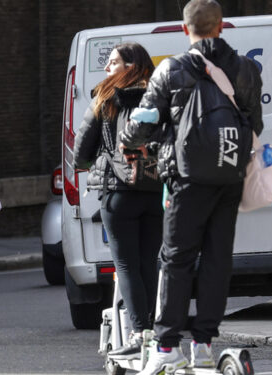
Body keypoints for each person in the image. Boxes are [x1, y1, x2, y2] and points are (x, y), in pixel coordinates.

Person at [119, 1, 264, 373]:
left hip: (186, 178)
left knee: (176, 258)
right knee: (218, 258)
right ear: (221, 27)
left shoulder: (172, 68)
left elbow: (145, 119)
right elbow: (255, 124)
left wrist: (129, 140)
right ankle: (203, 343)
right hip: (229, 176)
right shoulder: (245, 69)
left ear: (186, 30)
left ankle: (167, 346)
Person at [73, 42, 162, 357]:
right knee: (149, 264)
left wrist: (94, 162)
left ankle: (140, 334)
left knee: (126, 265)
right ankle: (151, 330)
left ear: (129, 66)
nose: (107, 69)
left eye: (112, 63)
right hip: (155, 192)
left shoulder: (105, 98)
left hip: (118, 195)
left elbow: (81, 154)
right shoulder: (158, 97)